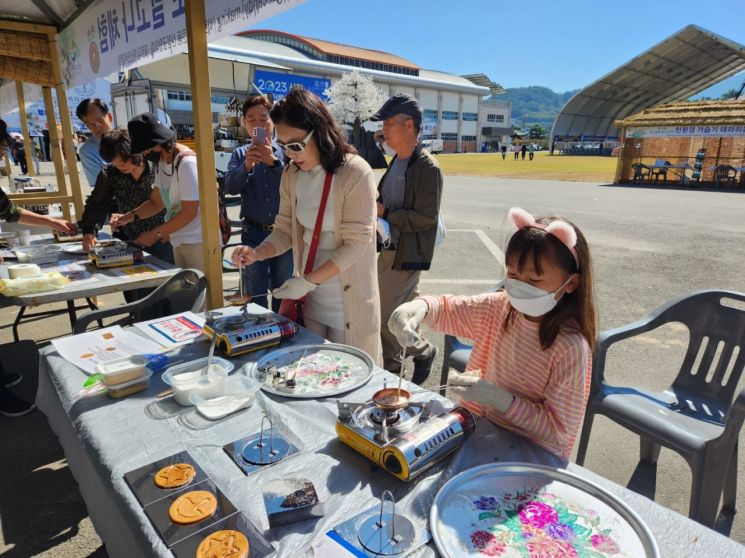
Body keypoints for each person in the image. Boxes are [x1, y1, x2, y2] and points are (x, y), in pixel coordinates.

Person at [389, 207, 596, 459]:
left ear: (571, 283)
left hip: (528, 456)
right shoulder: (500, 307)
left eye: (534, 279)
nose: (519, 285)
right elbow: (448, 309)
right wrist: (419, 308)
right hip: (476, 430)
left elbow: (558, 431)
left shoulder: (570, 348)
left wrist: (502, 401)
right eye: (513, 273)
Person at [231, 88, 382, 364]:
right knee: (313, 377)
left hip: (349, 302)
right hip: (311, 300)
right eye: (284, 145)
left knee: (350, 380)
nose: (289, 154)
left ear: (321, 132)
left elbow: (358, 244)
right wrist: (257, 252)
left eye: (296, 145)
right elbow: (285, 229)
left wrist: (307, 281)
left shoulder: (355, 172)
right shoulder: (291, 174)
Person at [370, 93, 441, 380]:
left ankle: (391, 379)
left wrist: (386, 212)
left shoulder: (428, 167)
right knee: (394, 314)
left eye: (388, 123)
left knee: (386, 318)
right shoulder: (397, 161)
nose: (383, 130)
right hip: (389, 250)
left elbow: (426, 217)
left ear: (408, 125)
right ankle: (423, 352)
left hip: (407, 253)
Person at [111, 113, 205, 270]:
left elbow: (189, 212)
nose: (144, 155)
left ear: (157, 144)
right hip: (179, 239)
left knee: (202, 291)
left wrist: (155, 234)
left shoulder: (186, 163)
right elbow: (156, 202)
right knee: (187, 292)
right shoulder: (162, 162)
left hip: (198, 240)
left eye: (145, 151)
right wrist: (127, 218)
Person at [224, 95, 292, 310]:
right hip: (252, 232)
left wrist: (273, 163)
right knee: (255, 291)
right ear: (244, 123)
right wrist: (246, 166)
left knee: (283, 290)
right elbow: (230, 188)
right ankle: (259, 332)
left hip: (284, 232)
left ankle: (283, 332)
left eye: (263, 118)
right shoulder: (239, 154)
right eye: (251, 119)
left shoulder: (287, 152)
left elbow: (295, 186)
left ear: (272, 121)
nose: (257, 123)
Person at [80, 129, 173, 263]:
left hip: (162, 236)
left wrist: (170, 229)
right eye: (114, 162)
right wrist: (89, 232)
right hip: (130, 239)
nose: (119, 166)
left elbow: (170, 202)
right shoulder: (109, 173)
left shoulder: (156, 166)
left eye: (122, 161)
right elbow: (96, 204)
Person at [75, 98, 114, 187]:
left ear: (109, 117)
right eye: (91, 125)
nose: (97, 127)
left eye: (100, 121)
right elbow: (102, 187)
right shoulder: (87, 152)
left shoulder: (128, 138)